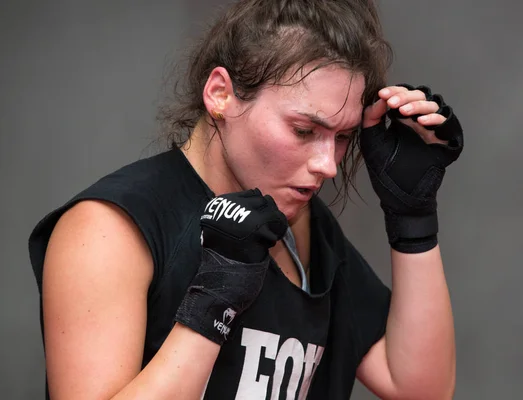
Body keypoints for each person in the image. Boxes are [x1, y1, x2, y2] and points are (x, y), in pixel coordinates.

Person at [28, 0, 463, 399]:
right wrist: (211, 305)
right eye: (304, 131)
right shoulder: (109, 230)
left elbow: (421, 390)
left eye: (343, 136)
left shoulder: (303, 229)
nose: (328, 165)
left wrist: (413, 220)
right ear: (220, 94)